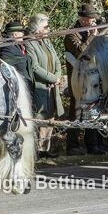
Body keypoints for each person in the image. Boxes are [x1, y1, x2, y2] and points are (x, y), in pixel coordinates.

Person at [63, 4, 105, 156]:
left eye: (94, 18)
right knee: (76, 112)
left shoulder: (96, 29)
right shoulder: (71, 34)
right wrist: (93, 36)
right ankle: (72, 146)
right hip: (78, 80)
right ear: (82, 19)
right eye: (90, 18)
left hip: (95, 78)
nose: (93, 21)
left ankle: (94, 143)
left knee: (94, 110)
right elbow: (81, 52)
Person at [25, 13, 64, 156]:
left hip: (52, 86)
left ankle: (45, 149)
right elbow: (34, 66)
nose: (48, 29)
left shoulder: (46, 41)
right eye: (46, 26)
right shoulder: (29, 42)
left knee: (51, 117)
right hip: (40, 86)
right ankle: (37, 150)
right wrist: (53, 78)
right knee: (40, 117)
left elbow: (57, 60)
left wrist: (57, 76)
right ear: (38, 28)